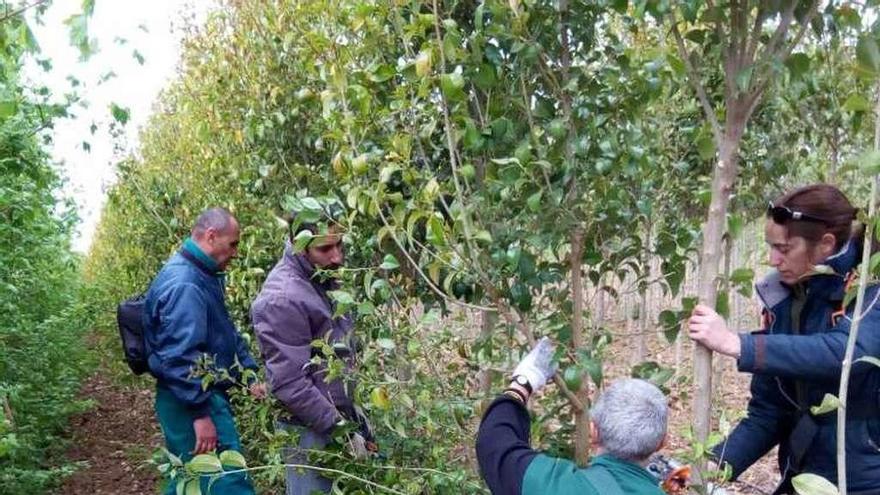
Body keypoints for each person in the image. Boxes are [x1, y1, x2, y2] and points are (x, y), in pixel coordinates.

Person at [688, 184, 880, 494]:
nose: (772, 259)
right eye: (770, 246)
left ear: (826, 245)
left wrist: (740, 345)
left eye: (784, 248)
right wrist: (714, 466)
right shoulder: (785, 300)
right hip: (802, 475)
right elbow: (770, 410)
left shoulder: (870, 287)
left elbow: (844, 353)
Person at [143, 207, 266, 495]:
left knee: (192, 480)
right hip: (192, 397)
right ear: (211, 236)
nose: (236, 252)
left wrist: (248, 374)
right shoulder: (185, 283)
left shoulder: (201, 275)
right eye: (233, 243)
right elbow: (180, 355)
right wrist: (200, 414)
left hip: (189, 395)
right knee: (227, 482)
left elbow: (224, 332)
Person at [251, 214, 370, 495]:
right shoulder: (282, 297)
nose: (337, 257)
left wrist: (355, 410)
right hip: (309, 427)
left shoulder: (323, 279)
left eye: (339, 245)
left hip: (334, 418)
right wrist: (340, 429)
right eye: (325, 249)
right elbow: (290, 384)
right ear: (299, 246)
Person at [476, 338, 669, 495]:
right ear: (662, 442)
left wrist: (524, 381)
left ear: (593, 433)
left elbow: (494, 444)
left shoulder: (555, 487)